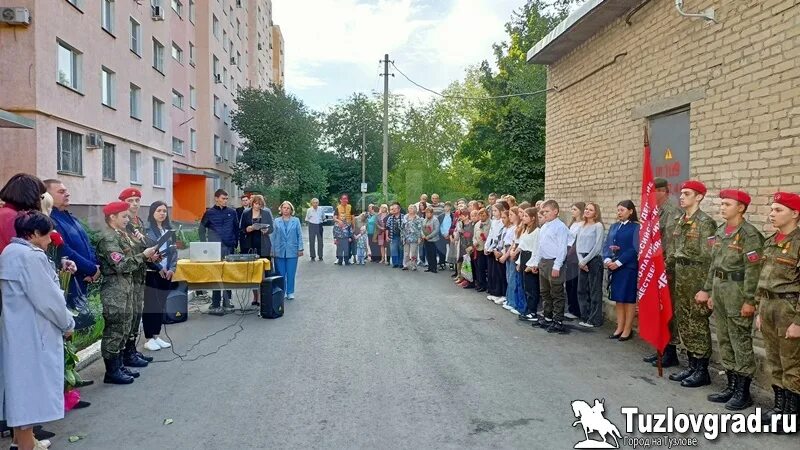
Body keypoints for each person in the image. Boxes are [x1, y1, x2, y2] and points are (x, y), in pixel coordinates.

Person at [0, 211, 75, 450]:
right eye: (46, 235)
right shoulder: (31, 257)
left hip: (18, 330)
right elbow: (49, 300)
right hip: (34, 332)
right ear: (33, 234)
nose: (50, 240)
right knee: (29, 392)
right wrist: (67, 323)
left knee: (20, 386)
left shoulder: (10, 252)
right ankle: (25, 446)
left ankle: (19, 441)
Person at [696, 189, 763, 410]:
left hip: (738, 291)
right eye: (721, 204)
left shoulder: (749, 235)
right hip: (720, 290)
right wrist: (710, 291)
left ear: (741, 208)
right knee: (724, 339)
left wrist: (750, 301)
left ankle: (743, 392)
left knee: (740, 341)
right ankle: (731, 386)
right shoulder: (722, 230)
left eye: (727, 204)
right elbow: (714, 265)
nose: (722, 207)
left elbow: (754, 271)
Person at [96, 201, 159, 385]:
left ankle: (120, 364)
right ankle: (112, 371)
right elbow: (122, 264)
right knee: (115, 329)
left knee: (125, 327)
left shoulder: (122, 235)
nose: (127, 219)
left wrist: (144, 250)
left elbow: (132, 256)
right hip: (115, 289)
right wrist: (144, 255)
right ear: (112, 217)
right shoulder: (108, 238)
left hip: (127, 287)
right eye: (123, 216)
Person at [755, 192, 800, 423]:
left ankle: (792, 415)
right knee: (774, 360)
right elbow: (763, 278)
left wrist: (798, 321)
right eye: (771, 209)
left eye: (778, 210)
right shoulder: (770, 241)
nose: (772, 214)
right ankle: (780, 408)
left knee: (791, 363)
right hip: (769, 305)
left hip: (789, 308)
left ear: (795, 213)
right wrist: (759, 308)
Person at [667, 181, 717, 388]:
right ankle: (691, 365)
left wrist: (706, 288)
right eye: (682, 193)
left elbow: (710, 257)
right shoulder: (680, 220)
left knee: (697, 323)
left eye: (687, 194)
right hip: (680, 277)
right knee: (685, 322)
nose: (682, 197)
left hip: (696, 278)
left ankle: (702, 370)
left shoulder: (706, 223)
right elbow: (673, 250)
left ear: (699, 197)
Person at [643, 177, 683, 367]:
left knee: (667, 310)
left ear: (662, 191)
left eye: (652, 193)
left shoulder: (673, 212)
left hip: (667, 269)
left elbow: (671, 243)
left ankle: (670, 353)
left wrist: (663, 265)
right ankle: (661, 349)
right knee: (659, 310)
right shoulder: (655, 211)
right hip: (656, 267)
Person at [117, 188, 153, 365]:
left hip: (140, 272)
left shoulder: (138, 221)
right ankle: (126, 354)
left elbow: (143, 243)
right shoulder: (122, 222)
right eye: (130, 201)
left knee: (137, 312)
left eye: (137, 200)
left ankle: (132, 349)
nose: (134, 204)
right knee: (129, 315)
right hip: (129, 274)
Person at [142, 201, 178, 352]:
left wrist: (172, 268)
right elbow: (146, 253)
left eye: (164, 211)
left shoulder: (169, 230)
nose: (162, 213)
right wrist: (158, 268)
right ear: (152, 213)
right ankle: (149, 338)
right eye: (159, 210)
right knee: (151, 305)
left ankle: (156, 335)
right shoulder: (146, 230)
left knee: (161, 305)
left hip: (167, 272)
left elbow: (174, 251)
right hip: (153, 272)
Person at [603, 201, 641, 341]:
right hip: (614, 266)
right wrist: (607, 259)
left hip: (627, 267)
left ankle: (627, 329)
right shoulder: (614, 226)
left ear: (631, 211)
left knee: (628, 299)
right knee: (619, 298)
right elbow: (608, 244)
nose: (619, 212)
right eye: (618, 210)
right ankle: (619, 327)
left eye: (622, 210)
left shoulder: (636, 227)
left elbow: (634, 248)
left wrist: (619, 262)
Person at [531, 200, 569, 334]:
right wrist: (536, 262)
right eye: (543, 211)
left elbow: (562, 249)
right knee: (545, 291)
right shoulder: (545, 226)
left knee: (556, 292)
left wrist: (557, 266)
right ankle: (547, 317)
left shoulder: (560, 227)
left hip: (554, 262)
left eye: (546, 211)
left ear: (555, 211)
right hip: (544, 262)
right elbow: (540, 246)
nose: (544, 214)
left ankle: (558, 320)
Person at [199, 189, 239, 316]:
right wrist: (204, 244)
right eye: (223, 198)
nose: (225, 201)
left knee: (228, 274)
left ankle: (227, 301)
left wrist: (235, 243)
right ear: (216, 198)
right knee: (216, 275)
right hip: (214, 248)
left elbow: (236, 228)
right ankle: (215, 302)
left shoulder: (232, 212)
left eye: (227, 199)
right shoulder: (209, 213)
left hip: (229, 246)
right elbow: (201, 229)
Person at [240, 195, 274, 305]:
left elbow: (272, 228)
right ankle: (255, 297)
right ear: (252, 203)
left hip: (263, 244)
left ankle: (265, 295)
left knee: (264, 271)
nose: (257, 206)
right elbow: (241, 228)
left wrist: (266, 231)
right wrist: (248, 229)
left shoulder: (266, 213)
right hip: (250, 245)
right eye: (255, 203)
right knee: (252, 271)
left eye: (259, 204)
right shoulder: (246, 213)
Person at [0, 173, 46, 253]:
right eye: (40, 196)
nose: (40, 201)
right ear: (31, 196)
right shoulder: (14, 217)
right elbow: (22, 251)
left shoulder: (5, 213)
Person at [575, 202, 605, 328]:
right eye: (586, 209)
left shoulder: (598, 226)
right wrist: (580, 260)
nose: (587, 211)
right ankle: (585, 316)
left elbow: (597, 247)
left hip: (593, 259)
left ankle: (594, 319)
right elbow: (577, 244)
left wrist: (586, 260)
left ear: (596, 213)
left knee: (594, 290)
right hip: (582, 259)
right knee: (582, 290)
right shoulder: (582, 226)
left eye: (590, 210)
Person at [272, 201, 303, 300]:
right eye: (284, 208)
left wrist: (300, 248)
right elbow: (273, 236)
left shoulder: (296, 220)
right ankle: (282, 291)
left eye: (288, 208)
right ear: (281, 209)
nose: (285, 210)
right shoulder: (276, 221)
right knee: (280, 273)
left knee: (291, 272)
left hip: (292, 250)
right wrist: (272, 250)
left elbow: (299, 235)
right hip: (279, 250)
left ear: (291, 210)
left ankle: (290, 292)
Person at [518, 207, 541, 322]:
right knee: (525, 286)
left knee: (532, 287)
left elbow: (537, 249)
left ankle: (533, 312)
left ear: (533, 218)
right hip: (524, 257)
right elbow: (521, 246)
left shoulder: (537, 231)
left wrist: (531, 265)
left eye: (526, 216)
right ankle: (527, 309)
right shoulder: (526, 229)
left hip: (531, 258)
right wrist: (519, 262)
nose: (523, 218)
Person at [565, 202, 586, 320]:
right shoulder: (573, 223)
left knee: (574, 283)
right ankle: (571, 307)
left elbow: (577, 241)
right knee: (568, 283)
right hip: (568, 251)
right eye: (572, 209)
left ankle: (576, 309)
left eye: (575, 209)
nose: (572, 211)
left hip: (574, 254)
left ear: (580, 211)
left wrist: (569, 253)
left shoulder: (582, 224)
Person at [485, 203, 507, 303]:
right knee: (492, 272)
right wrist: (487, 246)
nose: (493, 213)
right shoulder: (494, 221)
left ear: (501, 211)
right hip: (492, 248)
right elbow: (491, 235)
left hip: (498, 249)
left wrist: (496, 250)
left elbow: (500, 238)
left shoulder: (503, 222)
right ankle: (493, 291)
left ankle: (500, 293)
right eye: (492, 211)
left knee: (499, 273)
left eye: (495, 211)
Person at [473, 208, 491, 293]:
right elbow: (474, 236)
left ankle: (488, 285)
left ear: (487, 215)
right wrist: (475, 241)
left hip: (487, 249)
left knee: (487, 268)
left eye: (483, 215)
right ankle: (481, 284)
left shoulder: (490, 224)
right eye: (480, 215)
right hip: (479, 248)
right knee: (480, 267)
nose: (481, 217)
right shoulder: (477, 224)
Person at [402, 205, 422, 271]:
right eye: (409, 208)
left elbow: (420, 228)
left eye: (412, 208)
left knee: (414, 252)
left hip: (414, 237)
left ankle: (414, 265)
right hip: (406, 237)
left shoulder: (417, 218)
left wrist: (419, 238)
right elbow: (402, 227)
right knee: (406, 252)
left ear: (415, 210)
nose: (410, 209)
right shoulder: (405, 217)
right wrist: (402, 236)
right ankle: (406, 265)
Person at [421, 208, 440, 273]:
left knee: (433, 254)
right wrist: (423, 235)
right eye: (426, 213)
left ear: (432, 213)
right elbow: (421, 228)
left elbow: (436, 230)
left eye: (428, 213)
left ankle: (434, 268)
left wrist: (429, 236)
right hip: (425, 239)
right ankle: (429, 267)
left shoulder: (435, 220)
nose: (427, 214)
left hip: (433, 240)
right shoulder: (424, 219)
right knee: (428, 254)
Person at [386, 202, 404, 268]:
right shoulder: (390, 218)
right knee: (393, 250)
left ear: (399, 209)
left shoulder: (403, 217)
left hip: (401, 236)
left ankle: (400, 263)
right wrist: (387, 236)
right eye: (393, 209)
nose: (394, 210)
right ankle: (395, 263)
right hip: (392, 236)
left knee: (401, 250)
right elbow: (387, 227)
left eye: (396, 208)